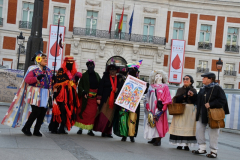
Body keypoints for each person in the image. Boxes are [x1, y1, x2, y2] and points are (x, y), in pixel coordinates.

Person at [2, 51, 53, 137]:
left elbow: (50, 82)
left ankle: (37, 130)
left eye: (46, 58)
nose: (45, 60)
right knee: (36, 111)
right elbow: (27, 80)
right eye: (43, 58)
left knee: (42, 112)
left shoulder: (48, 70)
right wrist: (37, 78)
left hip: (45, 93)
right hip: (35, 93)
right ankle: (26, 128)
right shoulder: (33, 69)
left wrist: (54, 80)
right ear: (38, 59)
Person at [192, 72, 229, 158]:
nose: (203, 79)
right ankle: (202, 148)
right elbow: (198, 100)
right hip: (202, 113)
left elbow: (222, 100)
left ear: (210, 79)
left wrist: (211, 104)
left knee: (213, 133)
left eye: (204, 78)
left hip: (213, 115)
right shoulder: (202, 88)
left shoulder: (217, 88)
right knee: (199, 130)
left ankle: (213, 151)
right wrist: (193, 96)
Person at [113, 60, 145, 142]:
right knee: (123, 118)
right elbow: (120, 90)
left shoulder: (139, 82)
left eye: (133, 70)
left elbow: (143, 91)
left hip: (133, 104)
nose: (132, 72)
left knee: (132, 119)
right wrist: (116, 98)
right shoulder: (124, 80)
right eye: (130, 70)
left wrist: (146, 87)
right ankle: (124, 135)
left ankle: (131, 135)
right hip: (124, 103)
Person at [49, 56, 82, 134]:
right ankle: (54, 127)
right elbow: (58, 81)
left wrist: (76, 79)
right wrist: (67, 82)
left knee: (68, 111)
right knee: (60, 110)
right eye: (69, 62)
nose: (70, 64)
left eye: (72, 62)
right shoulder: (61, 71)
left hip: (71, 95)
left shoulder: (74, 72)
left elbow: (75, 84)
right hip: (61, 94)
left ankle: (62, 127)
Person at [93, 59, 123, 138]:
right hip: (105, 100)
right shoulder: (105, 78)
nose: (112, 71)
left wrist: (117, 90)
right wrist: (98, 98)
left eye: (114, 70)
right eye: (111, 70)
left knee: (111, 117)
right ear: (108, 71)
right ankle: (103, 131)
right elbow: (100, 87)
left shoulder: (119, 79)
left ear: (116, 71)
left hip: (113, 100)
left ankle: (108, 132)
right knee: (103, 116)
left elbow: (122, 89)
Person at [169, 75, 197, 151]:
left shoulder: (194, 90)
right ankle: (179, 144)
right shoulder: (180, 89)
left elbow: (195, 101)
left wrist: (192, 95)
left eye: (187, 79)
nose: (185, 80)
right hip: (180, 110)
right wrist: (184, 96)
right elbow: (176, 100)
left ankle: (186, 145)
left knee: (187, 128)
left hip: (189, 111)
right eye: (184, 79)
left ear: (191, 81)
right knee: (179, 127)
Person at [144, 70, 172, 146]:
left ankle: (158, 139)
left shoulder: (165, 86)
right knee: (151, 122)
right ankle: (153, 137)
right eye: (156, 76)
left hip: (160, 108)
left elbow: (168, 98)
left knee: (159, 122)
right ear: (153, 77)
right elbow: (147, 97)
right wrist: (147, 105)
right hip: (151, 107)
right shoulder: (151, 86)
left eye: (160, 76)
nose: (158, 77)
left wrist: (163, 108)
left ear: (163, 77)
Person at [75, 60, 101, 136]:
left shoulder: (97, 75)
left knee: (92, 114)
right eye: (89, 65)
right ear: (87, 67)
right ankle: (80, 129)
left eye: (91, 65)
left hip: (94, 98)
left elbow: (100, 85)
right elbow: (80, 86)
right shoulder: (84, 75)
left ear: (94, 66)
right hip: (85, 97)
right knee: (83, 113)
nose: (90, 66)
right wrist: (83, 92)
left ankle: (90, 130)